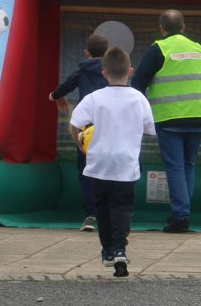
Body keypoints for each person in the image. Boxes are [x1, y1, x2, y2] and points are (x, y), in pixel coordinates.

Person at [69, 46, 155, 277]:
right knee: (122, 208)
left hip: (99, 164)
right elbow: (149, 129)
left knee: (103, 208)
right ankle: (120, 249)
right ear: (131, 71)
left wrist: (81, 145)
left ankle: (107, 250)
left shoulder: (94, 98)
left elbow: (74, 123)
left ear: (104, 73)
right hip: (126, 165)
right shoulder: (139, 99)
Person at [131, 9, 201, 233]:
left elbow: (138, 82)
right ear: (184, 27)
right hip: (200, 114)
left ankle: (180, 217)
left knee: (176, 166)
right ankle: (182, 212)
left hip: (170, 116)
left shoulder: (159, 48)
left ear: (161, 28)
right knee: (188, 165)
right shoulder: (200, 49)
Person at [49, 34, 110, 232]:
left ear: (86, 52)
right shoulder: (112, 72)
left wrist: (55, 96)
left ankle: (90, 215)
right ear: (106, 52)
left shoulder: (81, 72)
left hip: (87, 131)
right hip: (110, 128)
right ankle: (111, 212)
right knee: (110, 170)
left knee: (86, 172)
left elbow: (61, 89)